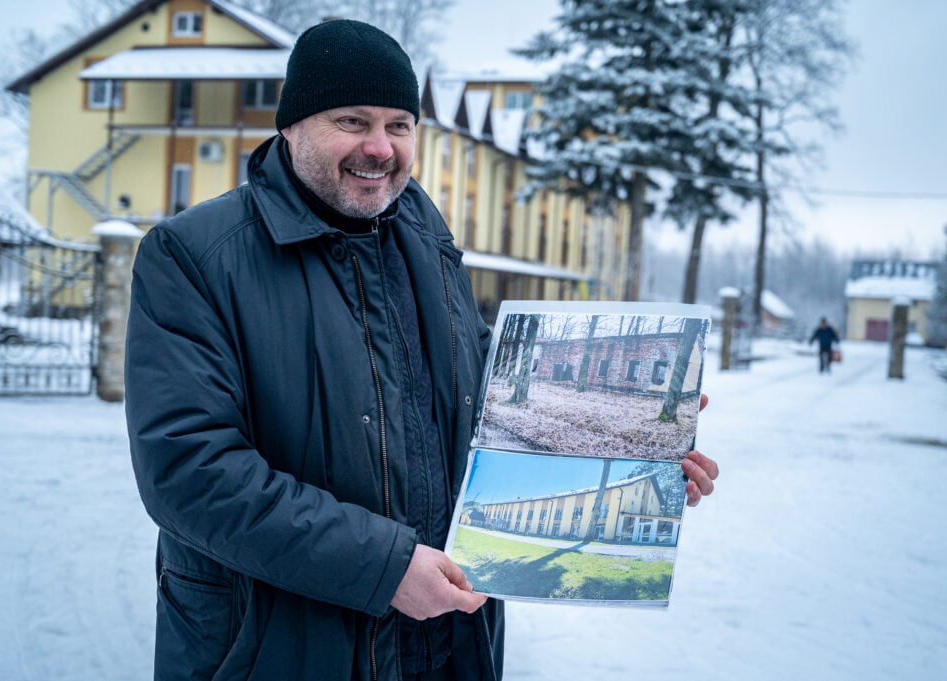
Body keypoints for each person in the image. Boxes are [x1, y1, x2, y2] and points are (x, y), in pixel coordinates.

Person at [124, 19, 720, 681]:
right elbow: (189, 471)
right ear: (291, 125)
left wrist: (633, 439)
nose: (380, 148)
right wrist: (384, 567)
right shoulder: (196, 256)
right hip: (279, 645)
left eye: (399, 125)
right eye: (352, 121)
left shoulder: (423, 232)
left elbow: (485, 389)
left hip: (447, 642)